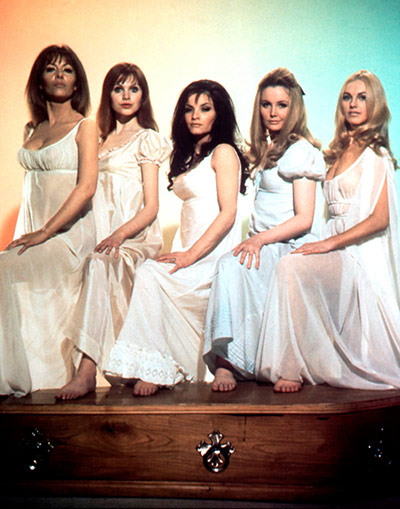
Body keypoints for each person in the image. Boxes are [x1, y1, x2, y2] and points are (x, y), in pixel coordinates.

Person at [255, 70, 400, 393]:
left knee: (291, 266)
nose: (353, 104)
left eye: (362, 97)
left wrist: (329, 244)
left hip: (358, 255)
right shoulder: (335, 152)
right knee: (288, 262)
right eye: (347, 97)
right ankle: (296, 362)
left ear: (375, 104)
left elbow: (380, 219)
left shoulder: (377, 155)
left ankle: (290, 368)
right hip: (332, 247)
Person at [105, 79, 248, 396]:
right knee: (148, 271)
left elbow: (228, 214)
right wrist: (178, 252)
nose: (195, 116)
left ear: (219, 114)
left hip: (211, 257)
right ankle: (154, 364)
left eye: (205, 109)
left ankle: (154, 368)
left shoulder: (223, 152)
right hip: (187, 250)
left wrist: (189, 256)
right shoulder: (190, 154)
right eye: (189, 109)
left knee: (149, 274)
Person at [203, 68, 325, 392]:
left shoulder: (301, 152)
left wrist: (258, 239)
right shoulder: (268, 149)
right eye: (266, 104)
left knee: (234, 266)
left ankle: (281, 364)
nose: (273, 112)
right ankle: (227, 363)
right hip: (264, 242)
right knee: (228, 266)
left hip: (290, 245)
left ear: (294, 108)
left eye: (282, 105)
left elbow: (304, 219)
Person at [57, 63, 171, 400]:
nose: (126, 96)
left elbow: (151, 207)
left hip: (134, 237)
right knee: (80, 264)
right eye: (119, 88)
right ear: (108, 94)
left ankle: (87, 371)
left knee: (100, 264)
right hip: (100, 235)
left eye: (134, 89)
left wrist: (119, 236)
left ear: (143, 96)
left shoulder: (147, 139)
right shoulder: (99, 141)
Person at [0, 45, 98, 397]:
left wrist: (45, 232)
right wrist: (30, 233)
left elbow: (86, 188)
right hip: (34, 232)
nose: (59, 75)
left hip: (69, 238)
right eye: (51, 69)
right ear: (39, 81)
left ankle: (8, 380)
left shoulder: (85, 127)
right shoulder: (33, 129)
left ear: (77, 83)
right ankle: (23, 375)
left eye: (67, 70)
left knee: (0, 268)